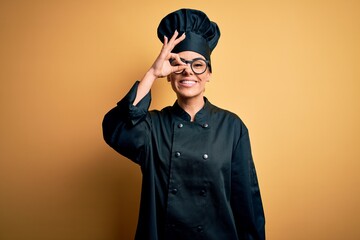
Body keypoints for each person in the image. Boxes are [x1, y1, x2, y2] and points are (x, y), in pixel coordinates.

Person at [102, 8, 265, 240]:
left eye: (198, 64)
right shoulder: (152, 127)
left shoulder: (232, 128)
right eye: (178, 64)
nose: (188, 71)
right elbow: (115, 129)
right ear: (169, 74)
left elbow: (247, 203)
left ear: (209, 73)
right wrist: (151, 73)